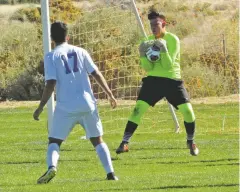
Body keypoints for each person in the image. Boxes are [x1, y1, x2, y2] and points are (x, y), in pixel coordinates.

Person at [33, 21, 118, 184]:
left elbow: (50, 83)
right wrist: (110, 94)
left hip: (66, 107)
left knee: (54, 141)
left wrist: (40, 107)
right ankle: (111, 174)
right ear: (68, 36)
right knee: (98, 140)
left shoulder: (51, 55)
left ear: (51, 38)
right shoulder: (81, 51)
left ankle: (52, 167)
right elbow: (96, 73)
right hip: (87, 104)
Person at [116, 11, 199, 156]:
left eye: (156, 24)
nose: (153, 27)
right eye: (151, 25)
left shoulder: (172, 39)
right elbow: (148, 68)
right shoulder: (149, 40)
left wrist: (163, 48)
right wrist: (142, 54)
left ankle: (191, 141)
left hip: (172, 80)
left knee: (188, 111)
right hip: (153, 80)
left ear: (164, 24)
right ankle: (124, 142)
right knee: (138, 109)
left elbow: (167, 66)